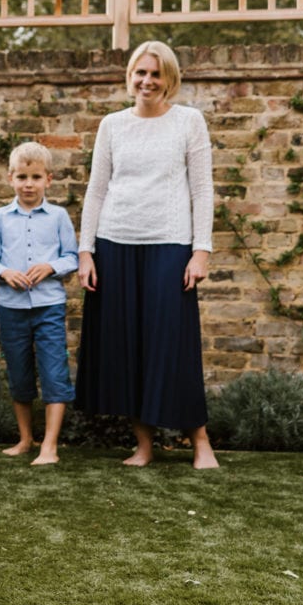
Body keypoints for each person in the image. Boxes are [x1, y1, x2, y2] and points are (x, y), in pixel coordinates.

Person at [75, 41, 220, 469]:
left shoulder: (189, 122)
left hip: (170, 245)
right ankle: (143, 445)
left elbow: (202, 189)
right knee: (128, 348)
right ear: (130, 76)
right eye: (141, 73)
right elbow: (96, 189)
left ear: (170, 79)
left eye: (156, 74)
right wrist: (86, 251)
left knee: (173, 345)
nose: (147, 81)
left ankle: (200, 441)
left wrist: (201, 250)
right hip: (114, 245)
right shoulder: (112, 125)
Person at [0, 142, 79, 465]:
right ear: (10, 178)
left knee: (54, 371)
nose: (28, 184)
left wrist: (51, 267)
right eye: (22, 176)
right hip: (11, 307)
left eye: (36, 177)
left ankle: (49, 446)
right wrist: (4, 272)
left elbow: (71, 257)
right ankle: (25, 439)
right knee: (19, 373)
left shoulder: (59, 216)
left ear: (48, 180)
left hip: (49, 306)